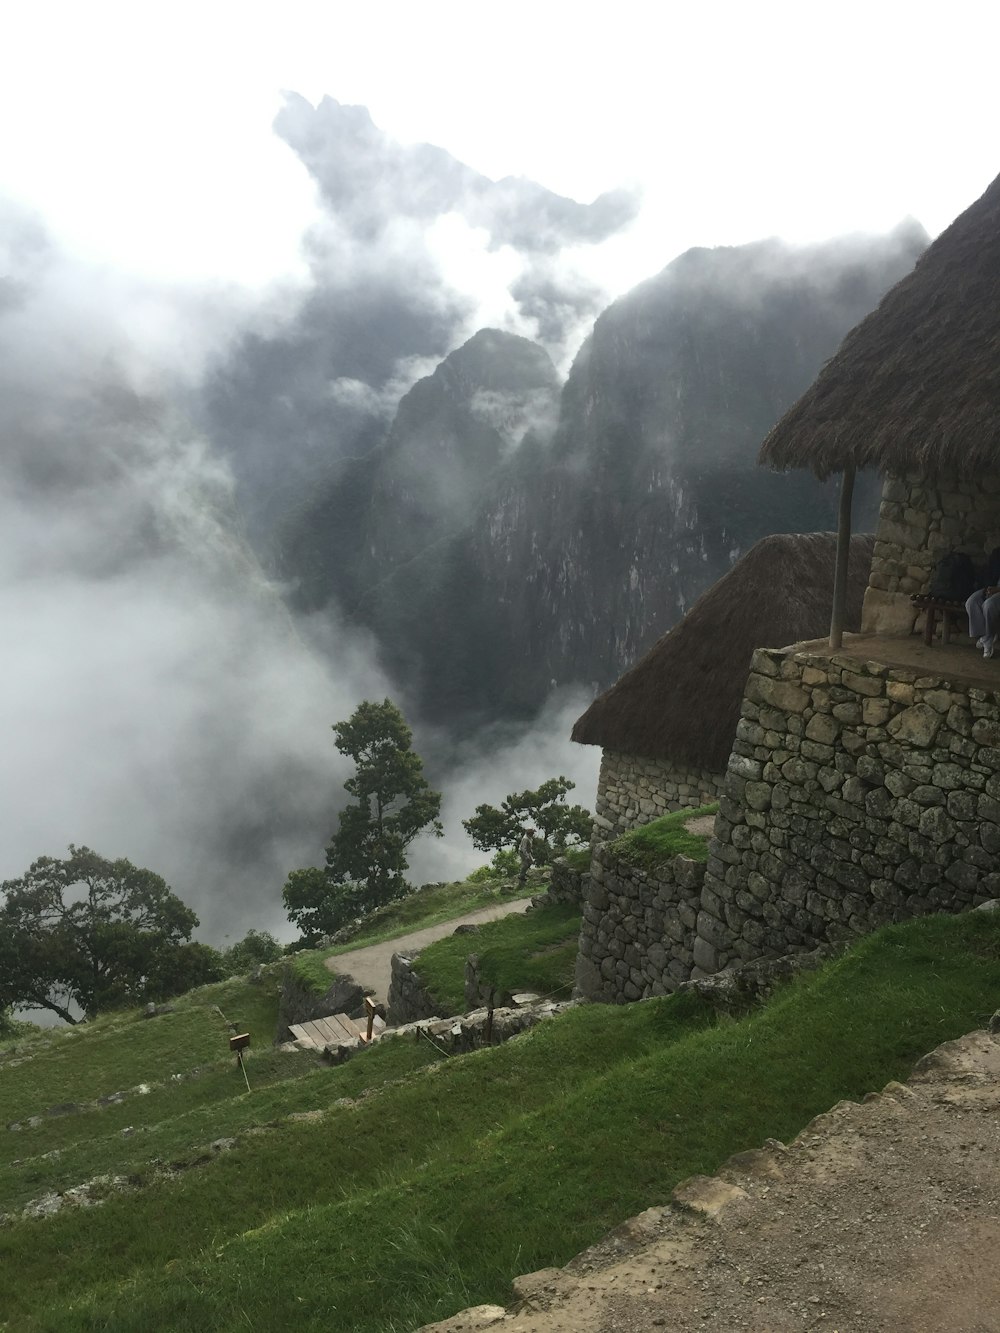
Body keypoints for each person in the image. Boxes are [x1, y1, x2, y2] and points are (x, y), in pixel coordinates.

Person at [966, 584, 1000, 659]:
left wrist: (997, 589)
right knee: (971, 602)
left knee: (988, 605)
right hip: (989, 588)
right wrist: (986, 589)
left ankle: (987, 641)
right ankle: (985, 636)